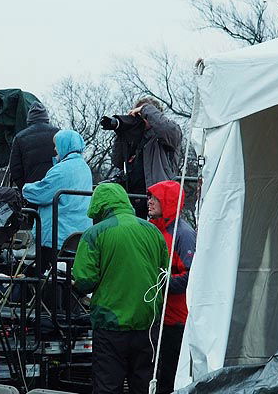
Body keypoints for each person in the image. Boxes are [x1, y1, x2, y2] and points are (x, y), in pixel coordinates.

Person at [72, 183, 168, 394]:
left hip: (110, 324)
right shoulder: (153, 231)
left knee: (108, 386)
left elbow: (84, 280)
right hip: (147, 324)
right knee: (144, 386)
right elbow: (164, 271)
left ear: (98, 205)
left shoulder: (94, 234)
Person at [147, 181, 196, 394]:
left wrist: (160, 284)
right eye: (149, 197)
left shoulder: (184, 234)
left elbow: (191, 277)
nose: (149, 201)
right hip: (158, 320)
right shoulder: (153, 230)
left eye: (155, 198)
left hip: (176, 321)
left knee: (168, 378)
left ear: (168, 201)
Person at [22, 130, 93, 274]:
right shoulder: (84, 167)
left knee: (43, 277)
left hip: (58, 235)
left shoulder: (63, 169)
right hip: (77, 234)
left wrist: (25, 188)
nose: (54, 149)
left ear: (64, 145)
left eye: (56, 145)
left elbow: (42, 193)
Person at [109, 97, 182, 218]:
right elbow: (117, 161)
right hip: (133, 199)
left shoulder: (167, 135)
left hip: (157, 200)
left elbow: (170, 131)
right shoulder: (135, 138)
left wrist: (145, 109)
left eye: (143, 115)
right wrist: (122, 132)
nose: (140, 119)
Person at [9, 101, 59, 190]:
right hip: (57, 189)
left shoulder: (19, 138)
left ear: (29, 119)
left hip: (32, 190)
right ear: (46, 117)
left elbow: (15, 169)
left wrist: (24, 188)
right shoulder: (58, 134)